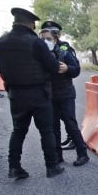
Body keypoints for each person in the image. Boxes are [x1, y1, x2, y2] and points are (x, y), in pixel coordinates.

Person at [0, 8, 65, 179]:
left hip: (16, 94)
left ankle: (14, 167)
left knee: (18, 131)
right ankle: (52, 167)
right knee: (46, 131)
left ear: (15, 22)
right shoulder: (35, 42)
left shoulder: (1, 42)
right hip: (39, 93)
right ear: (31, 24)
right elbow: (53, 66)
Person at [39, 21, 89, 167]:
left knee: (70, 124)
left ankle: (82, 154)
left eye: (48, 39)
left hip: (65, 93)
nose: (45, 42)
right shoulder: (40, 54)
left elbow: (76, 70)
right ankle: (58, 156)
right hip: (50, 95)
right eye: (42, 39)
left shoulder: (65, 51)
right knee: (53, 127)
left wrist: (67, 68)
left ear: (55, 38)